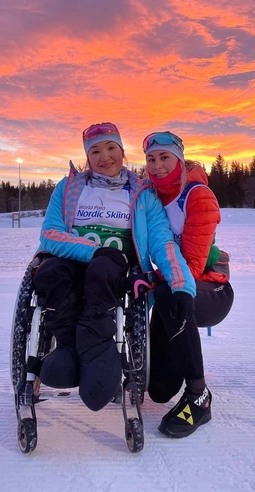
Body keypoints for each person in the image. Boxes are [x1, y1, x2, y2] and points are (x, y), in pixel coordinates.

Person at [31, 122, 196, 414]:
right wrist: (94, 250)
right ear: (86, 156)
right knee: (49, 273)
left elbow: (162, 242)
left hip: (115, 269)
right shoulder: (69, 187)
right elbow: (51, 234)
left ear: (121, 152)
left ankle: (98, 352)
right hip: (73, 260)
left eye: (110, 148)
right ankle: (69, 348)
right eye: (95, 151)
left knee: (103, 268)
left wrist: (182, 285)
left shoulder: (142, 193)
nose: (104, 156)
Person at [142, 130, 234, 439]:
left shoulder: (198, 195)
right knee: (158, 391)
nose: (158, 166)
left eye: (165, 157)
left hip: (210, 289)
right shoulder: (152, 197)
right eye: (151, 159)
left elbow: (192, 266)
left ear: (180, 159)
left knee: (170, 291)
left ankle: (199, 396)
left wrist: (151, 279)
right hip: (171, 290)